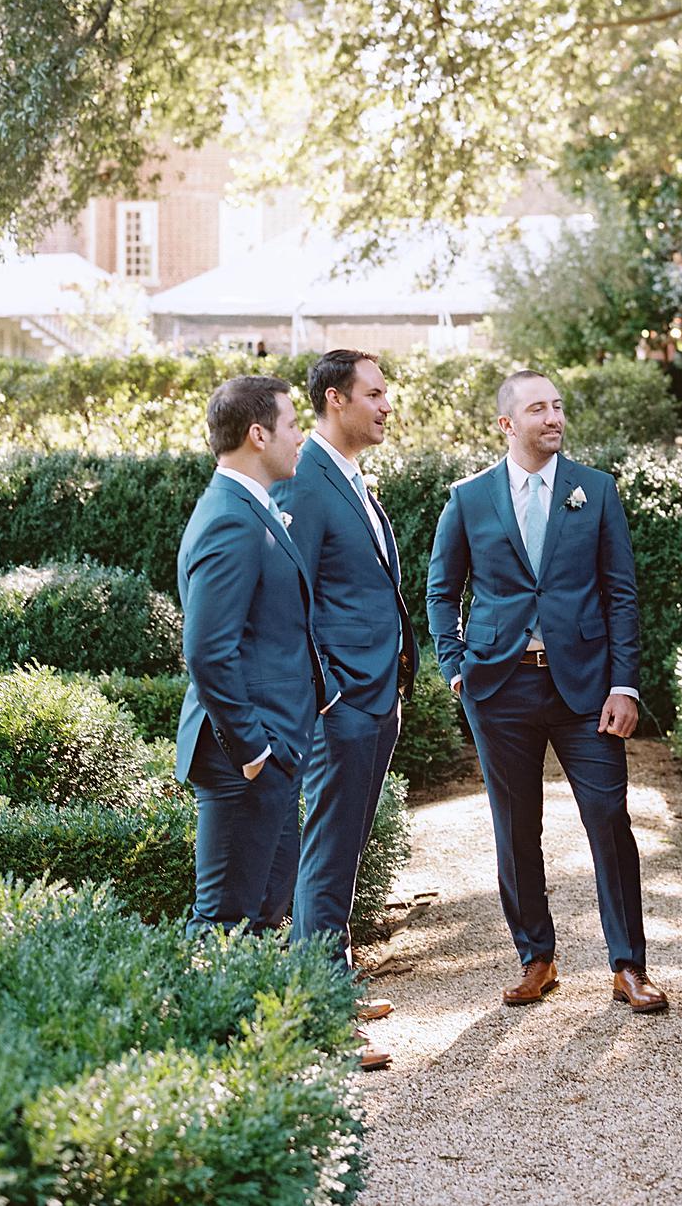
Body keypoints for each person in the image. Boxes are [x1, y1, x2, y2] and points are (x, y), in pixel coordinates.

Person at [426, 368, 667, 1013]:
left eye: (558, 407)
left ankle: (629, 965)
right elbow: (440, 590)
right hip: (498, 688)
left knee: (610, 820)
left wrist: (624, 684)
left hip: (585, 688)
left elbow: (621, 593)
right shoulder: (469, 498)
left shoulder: (597, 490)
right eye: (538, 409)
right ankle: (536, 958)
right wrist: (455, 663)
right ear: (507, 423)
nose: (553, 418)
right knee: (516, 828)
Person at [274, 350, 417, 1073]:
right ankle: (320, 1009)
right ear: (336, 399)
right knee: (328, 849)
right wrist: (327, 689)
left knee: (345, 847)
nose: (387, 405)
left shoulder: (351, 479)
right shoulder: (306, 479)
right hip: (341, 705)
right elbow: (288, 594)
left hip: (373, 696)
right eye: (376, 393)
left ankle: (331, 973)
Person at [174, 374, 327, 936]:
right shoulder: (230, 519)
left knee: (263, 916)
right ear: (258, 435)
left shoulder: (250, 507)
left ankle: (271, 1026)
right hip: (242, 758)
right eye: (293, 426)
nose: (301, 440)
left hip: (272, 751)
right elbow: (209, 652)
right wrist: (253, 750)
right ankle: (207, 1025)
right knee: (222, 924)